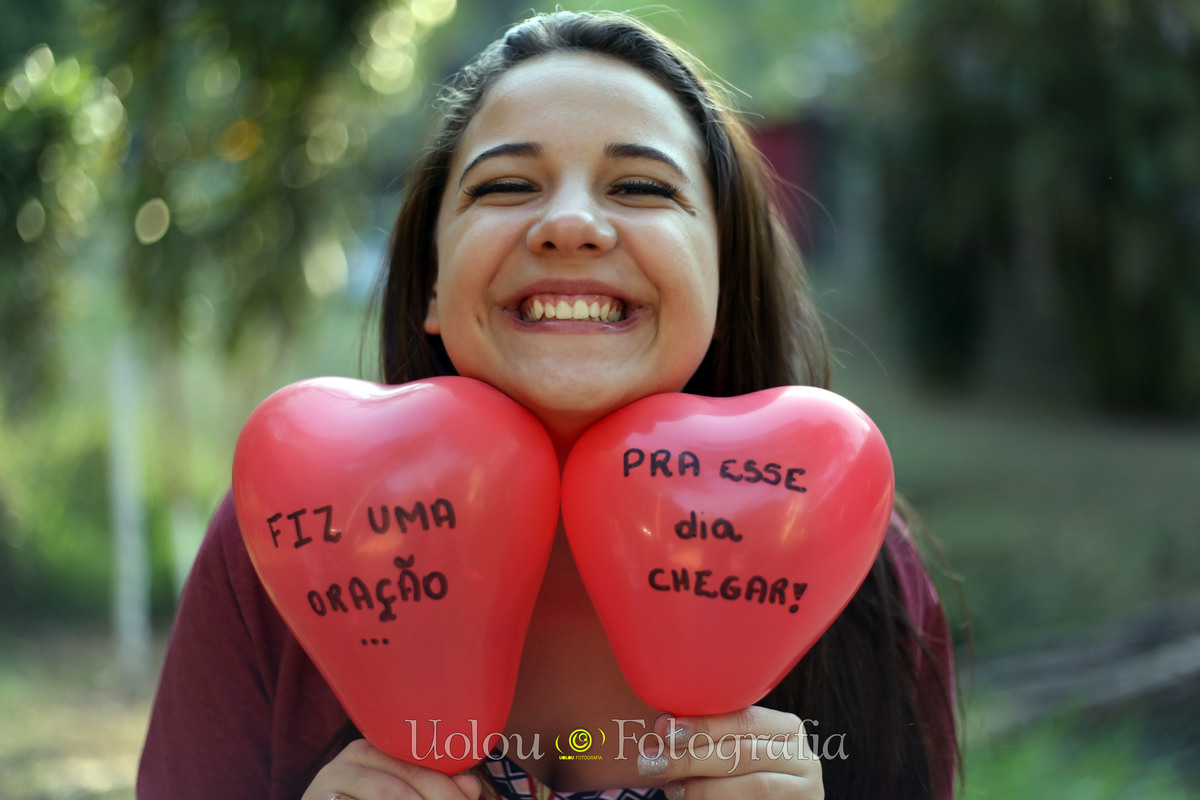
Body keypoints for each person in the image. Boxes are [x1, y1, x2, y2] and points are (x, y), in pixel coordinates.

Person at [138, 10, 958, 800]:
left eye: (639, 186)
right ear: (431, 284)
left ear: (721, 278)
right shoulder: (291, 537)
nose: (569, 223)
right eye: (506, 185)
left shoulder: (855, 557)